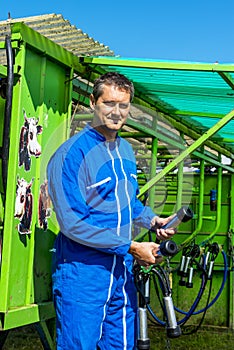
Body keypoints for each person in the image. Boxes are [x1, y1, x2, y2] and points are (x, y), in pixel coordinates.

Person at [47, 72, 177, 350]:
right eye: (109, 103)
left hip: (121, 275)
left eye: (124, 105)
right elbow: (72, 224)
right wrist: (130, 246)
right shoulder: (70, 155)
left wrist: (153, 220)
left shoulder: (126, 151)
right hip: (83, 274)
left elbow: (128, 202)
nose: (116, 112)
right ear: (93, 103)